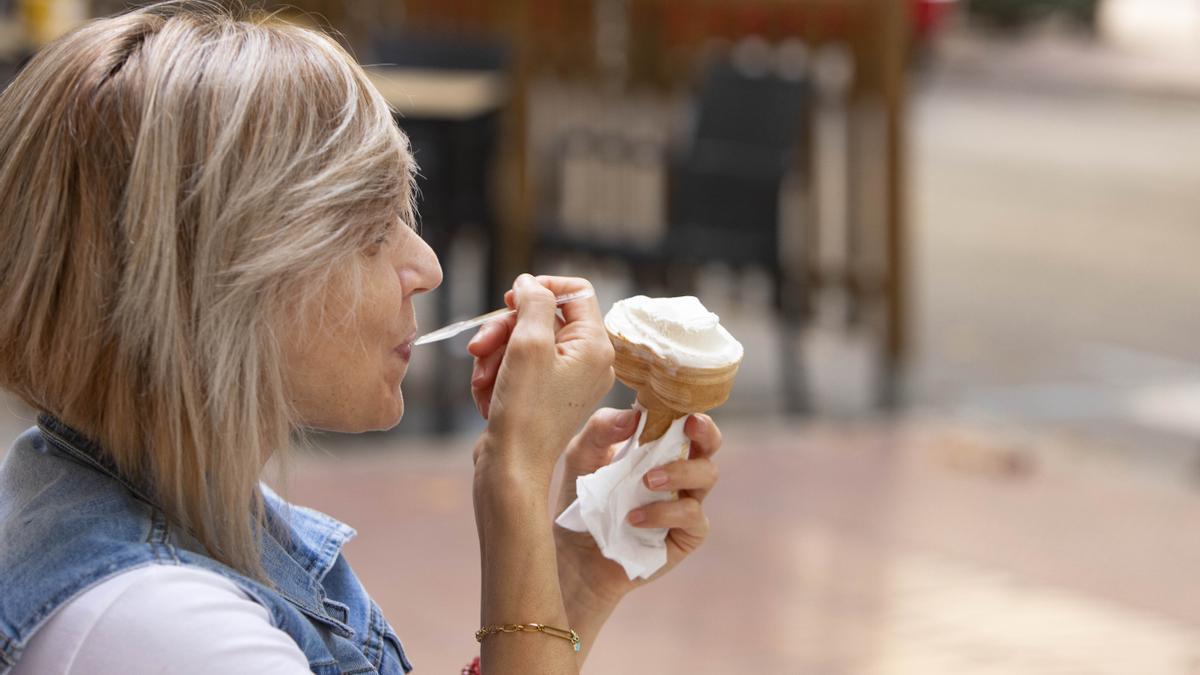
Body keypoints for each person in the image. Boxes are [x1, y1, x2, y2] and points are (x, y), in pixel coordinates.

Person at [0, 3, 723, 673]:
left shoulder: (163, 512)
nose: (427, 267)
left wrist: (571, 576)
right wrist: (515, 482)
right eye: (372, 224)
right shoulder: (161, 629)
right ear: (223, 275)